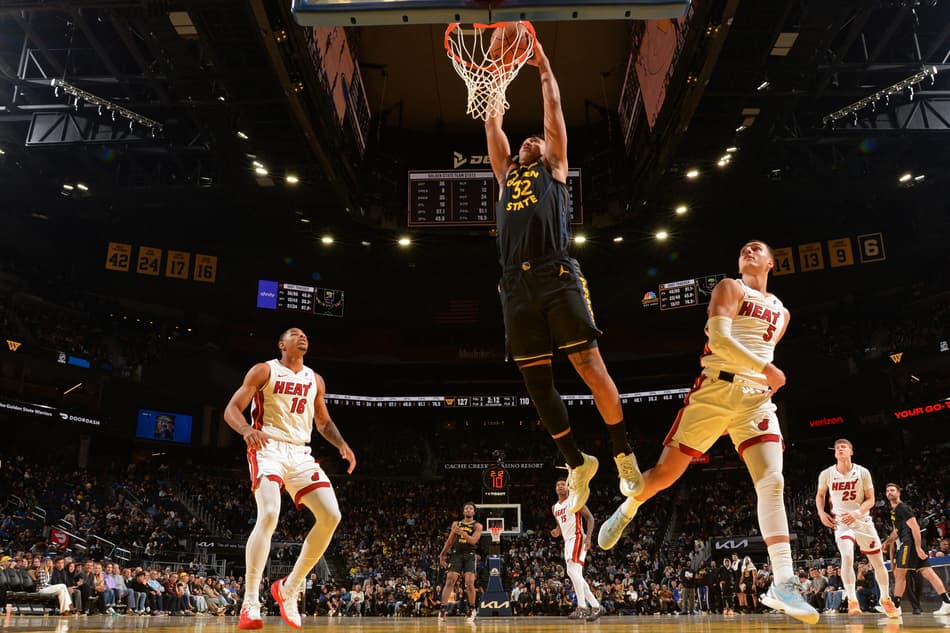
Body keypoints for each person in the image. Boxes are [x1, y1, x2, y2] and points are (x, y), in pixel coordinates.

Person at [597, 241, 819, 625]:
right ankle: (630, 506)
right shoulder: (730, 288)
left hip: (756, 400)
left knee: (773, 481)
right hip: (716, 390)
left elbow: (761, 351)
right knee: (666, 476)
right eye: (744, 249)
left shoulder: (782, 313)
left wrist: (763, 375)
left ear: (770, 262)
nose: (748, 250)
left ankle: (783, 581)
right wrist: (766, 370)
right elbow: (720, 341)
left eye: (757, 249)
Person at [485, 31, 643, 514]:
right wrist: (492, 75)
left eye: (536, 137)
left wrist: (542, 65)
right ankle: (578, 462)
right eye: (526, 138)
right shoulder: (506, 174)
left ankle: (623, 454)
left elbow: (552, 104)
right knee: (536, 384)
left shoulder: (553, 166)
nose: (532, 138)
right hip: (514, 284)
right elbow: (492, 122)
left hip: (556, 275)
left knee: (589, 367)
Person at [224, 327, 356, 629]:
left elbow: (322, 421)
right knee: (269, 513)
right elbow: (231, 409)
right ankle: (250, 600)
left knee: (331, 515)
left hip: (300, 454)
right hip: (267, 447)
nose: (302, 336)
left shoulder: (315, 379)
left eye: (305, 334)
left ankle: (289, 588)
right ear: (281, 344)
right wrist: (246, 430)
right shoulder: (264, 370)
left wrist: (342, 444)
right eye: (294, 334)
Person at [815, 438, 898, 617]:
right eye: (837, 448)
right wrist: (821, 513)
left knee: (878, 563)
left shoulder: (862, 472)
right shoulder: (827, 473)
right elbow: (820, 495)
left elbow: (871, 499)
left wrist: (857, 512)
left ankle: (885, 598)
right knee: (846, 555)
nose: (839, 450)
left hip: (862, 521)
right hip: (841, 522)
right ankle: (852, 600)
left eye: (843, 447)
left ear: (851, 451)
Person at [882, 483, 950, 615]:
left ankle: (895, 607)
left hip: (910, 544)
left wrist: (918, 547)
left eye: (892, 490)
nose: (889, 492)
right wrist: (886, 542)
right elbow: (897, 532)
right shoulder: (895, 511)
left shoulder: (902, 508)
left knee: (900, 574)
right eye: (887, 491)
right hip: (910, 543)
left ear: (899, 493)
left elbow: (915, 527)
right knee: (928, 573)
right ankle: (947, 602)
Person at [550, 478, 603, 622]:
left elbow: (590, 518)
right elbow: (561, 525)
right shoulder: (555, 507)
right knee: (575, 575)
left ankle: (582, 607)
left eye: (563, 484)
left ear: (568, 488)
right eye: (558, 485)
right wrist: (557, 531)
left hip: (578, 537)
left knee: (571, 572)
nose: (560, 486)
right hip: (567, 541)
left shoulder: (575, 500)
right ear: (556, 489)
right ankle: (596, 606)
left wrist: (589, 538)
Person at [437, 502, 482, 622]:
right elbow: (450, 541)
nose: (468, 510)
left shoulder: (477, 525)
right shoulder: (456, 524)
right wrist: (442, 554)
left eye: (470, 508)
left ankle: (471, 609)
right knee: (450, 580)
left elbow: (473, 541)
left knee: (469, 582)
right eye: (466, 508)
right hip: (456, 554)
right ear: (463, 512)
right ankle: (443, 610)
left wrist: (461, 532)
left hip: (470, 555)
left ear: (473, 512)